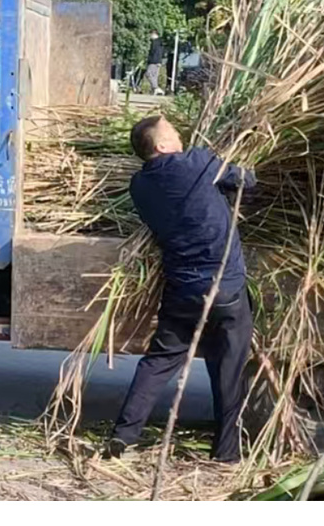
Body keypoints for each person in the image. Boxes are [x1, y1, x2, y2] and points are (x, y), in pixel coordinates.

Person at [106, 115, 255, 464]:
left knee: (158, 363)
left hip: (183, 290)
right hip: (226, 288)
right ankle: (227, 454)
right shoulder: (198, 163)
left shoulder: (138, 187)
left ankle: (122, 437)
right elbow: (247, 180)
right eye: (173, 132)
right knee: (229, 369)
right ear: (161, 145)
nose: (179, 135)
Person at [144, 30, 168, 94]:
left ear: (153, 34)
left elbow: (154, 53)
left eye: (150, 35)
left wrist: (150, 59)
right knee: (154, 76)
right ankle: (155, 89)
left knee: (148, 74)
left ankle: (155, 87)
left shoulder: (155, 43)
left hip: (153, 61)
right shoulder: (160, 43)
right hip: (157, 61)